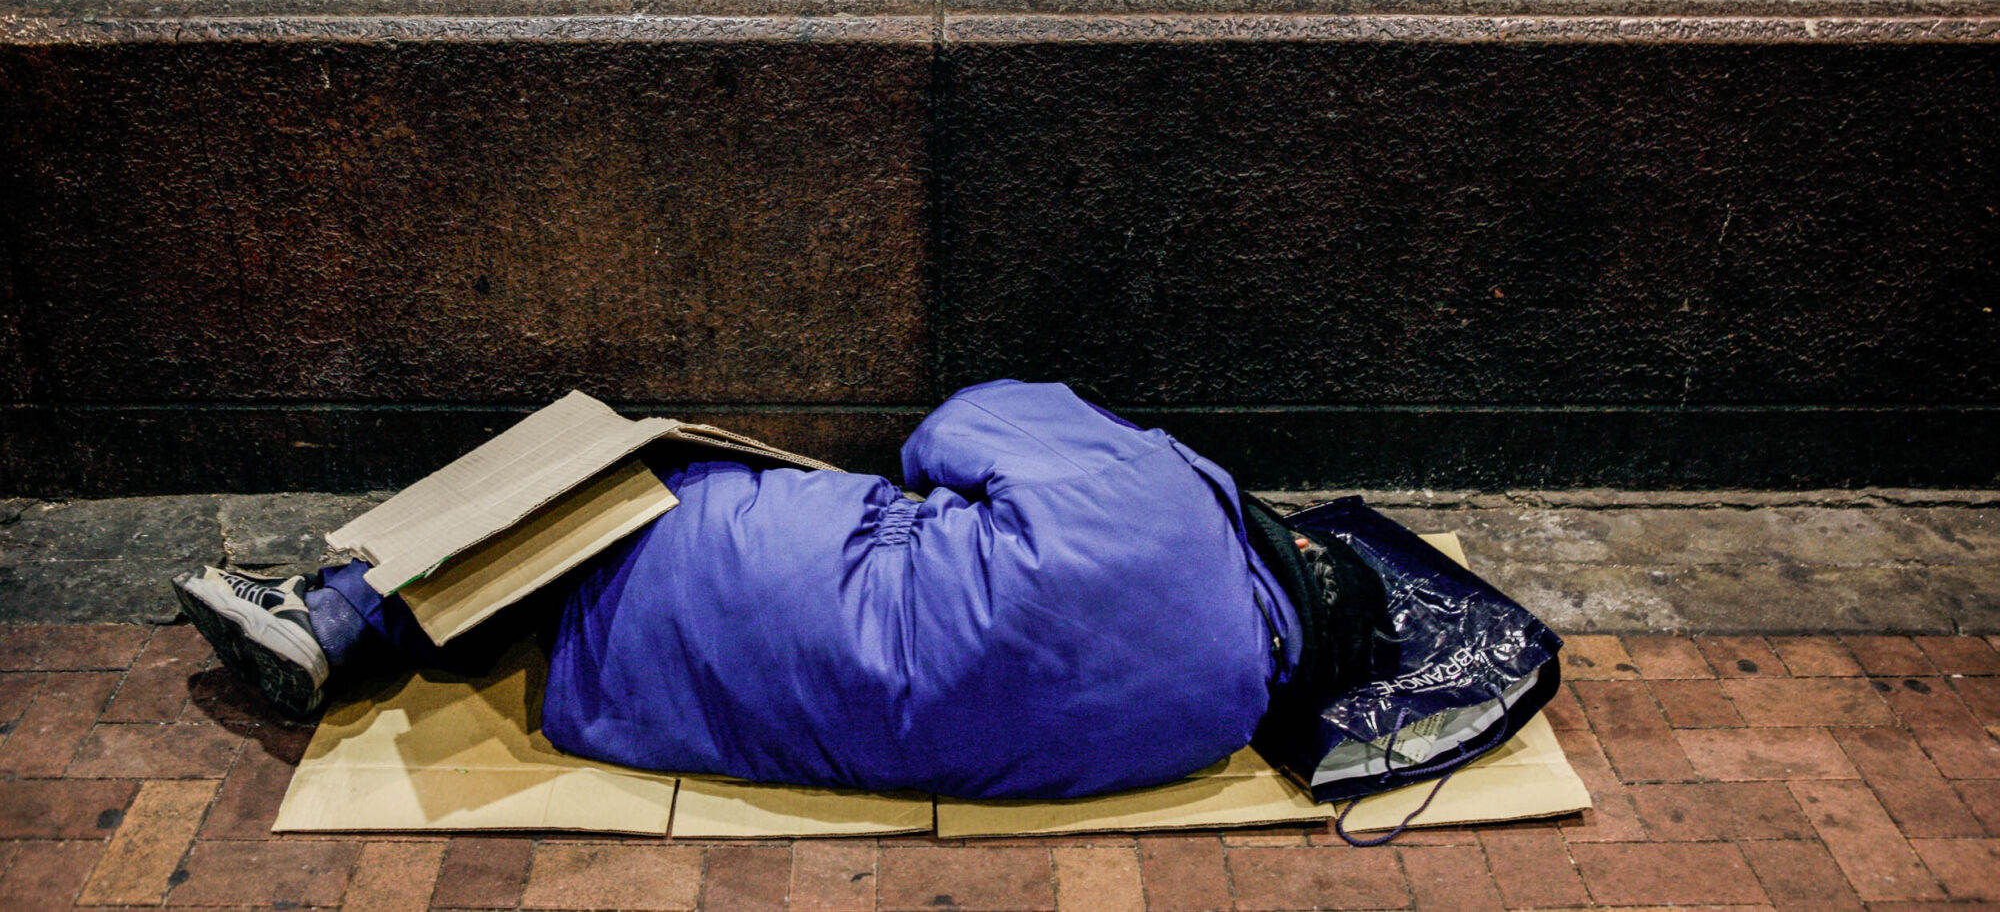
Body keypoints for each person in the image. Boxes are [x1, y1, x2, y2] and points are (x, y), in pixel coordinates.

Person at [174, 379, 1391, 800]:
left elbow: (948, 430)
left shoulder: (1169, 490)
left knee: (615, 471)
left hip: (720, 568)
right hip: (682, 713)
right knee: (633, 591)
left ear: (1281, 537)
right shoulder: (1220, 718)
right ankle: (400, 621)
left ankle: (340, 610)